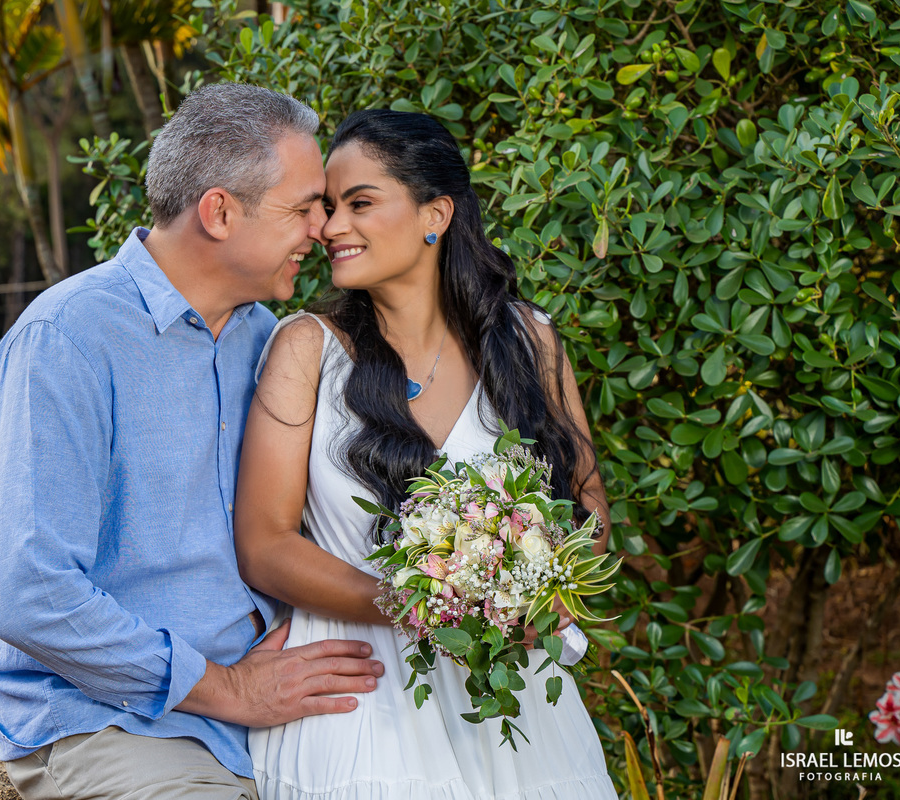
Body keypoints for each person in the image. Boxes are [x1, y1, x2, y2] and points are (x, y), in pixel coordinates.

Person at [0, 83, 385, 800]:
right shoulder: (67, 339)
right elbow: (32, 593)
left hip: (269, 698)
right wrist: (227, 687)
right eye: (303, 208)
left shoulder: (274, 343)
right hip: (117, 722)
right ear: (220, 212)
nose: (322, 229)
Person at [236, 109, 619, 799]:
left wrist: (543, 591)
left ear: (434, 213)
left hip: (515, 696)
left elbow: (587, 504)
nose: (328, 228)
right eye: (326, 207)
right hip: (360, 697)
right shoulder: (307, 349)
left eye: (359, 203)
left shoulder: (529, 340)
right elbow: (264, 543)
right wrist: (421, 603)